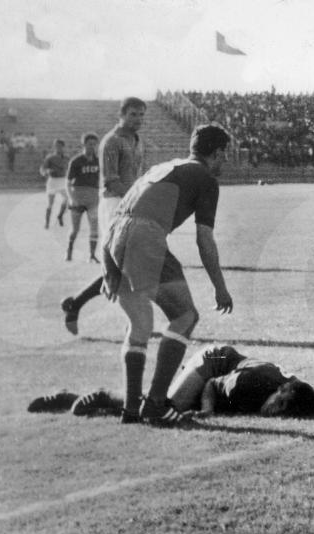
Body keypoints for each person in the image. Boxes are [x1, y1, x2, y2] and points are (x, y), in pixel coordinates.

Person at [101, 123, 234, 425]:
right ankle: (156, 403)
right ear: (217, 153)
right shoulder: (206, 179)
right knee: (185, 316)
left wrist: (106, 264)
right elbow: (204, 239)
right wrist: (220, 288)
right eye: (225, 155)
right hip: (145, 237)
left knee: (139, 324)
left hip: (114, 237)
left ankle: (132, 408)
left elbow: (119, 214)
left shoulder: (163, 167)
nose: (226, 161)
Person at [35, 346, 314, 418]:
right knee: (170, 407)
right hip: (211, 364)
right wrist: (207, 411)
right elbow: (213, 385)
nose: (274, 411)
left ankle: (68, 398)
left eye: (281, 410)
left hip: (230, 366)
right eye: (278, 403)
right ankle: (102, 395)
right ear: (278, 390)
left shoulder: (298, 393)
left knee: (175, 408)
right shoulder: (248, 384)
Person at [60, 97, 146, 335]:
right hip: (115, 203)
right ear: (121, 115)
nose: (138, 119)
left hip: (131, 202)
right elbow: (110, 179)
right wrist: (136, 199)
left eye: (141, 115)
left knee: (127, 265)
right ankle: (133, 319)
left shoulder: (137, 140)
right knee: (123, 264)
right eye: (132, 114)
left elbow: (138, 174)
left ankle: (76, 304)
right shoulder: (111, 141)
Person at [65, 133, 102, 263]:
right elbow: (68, 182)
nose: (92, 147)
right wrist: (71, 198)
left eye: (94, 144)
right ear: (84, 144)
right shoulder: (76, 161)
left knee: (94, 227)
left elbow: (101, 179)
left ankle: (92, 255)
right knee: (75, 229)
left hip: (93, 197)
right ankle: (69, 250)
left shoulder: (99, 161)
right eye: (89, 144)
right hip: (78, 197)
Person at [40, 139, 70, 229]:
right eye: (56, 146)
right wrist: (45, 172)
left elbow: (70, 168)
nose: (58, 148)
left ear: (63, 147)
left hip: (63, 181)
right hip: (53, 181)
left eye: (60, 146)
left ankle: (60, 215)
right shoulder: (50, 158)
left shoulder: (67, 158)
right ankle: (47, 222)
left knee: (68, 200)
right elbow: (43, 168)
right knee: (50, 203)